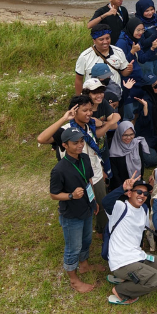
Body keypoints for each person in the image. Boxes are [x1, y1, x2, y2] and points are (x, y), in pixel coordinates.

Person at [38, 95, 118, 235]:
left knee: (101, 204)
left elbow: (94, 150)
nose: (89, 113)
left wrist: (102, 169)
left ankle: (102, 232)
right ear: (74, 111)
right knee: (77, 205)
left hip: (95, 174)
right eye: (84, 110)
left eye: (90, 109)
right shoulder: (65, 131)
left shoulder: (89, 126)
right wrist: (64, 118)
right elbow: (41, 138)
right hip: (73, 176)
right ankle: (76, 233)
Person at [102, 179, 157, 305]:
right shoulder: (120, 207)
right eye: (139, 192)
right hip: (122, 261)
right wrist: (121, 188)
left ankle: (128, 279)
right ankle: (121, 291)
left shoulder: (144, 209)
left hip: (137, 255)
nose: (142, 196)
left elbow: (143, 230)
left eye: (145, 194)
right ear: (129, 193)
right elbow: (105, 202)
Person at [49, 127, 100, 292]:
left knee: (86, 240)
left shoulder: (84, 158)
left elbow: (89, 180)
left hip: (86, 208)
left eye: (81, 141)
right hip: (71, 215)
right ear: (64, 145)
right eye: (75, 143)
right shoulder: (59, 170)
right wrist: (71, 195)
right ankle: (73, 279)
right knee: (73, 247)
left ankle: (84, 265)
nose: (80, 145)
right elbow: (54, 195)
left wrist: (94, 201)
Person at [74, 27, 132, 97]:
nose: (105, 42)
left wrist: (129, 69)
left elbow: (124, 73)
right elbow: (79, 79)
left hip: (115, 96)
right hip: (93, 98)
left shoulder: (118, 52)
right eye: (101, 39)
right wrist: (80, 99)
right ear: (94, 41)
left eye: (107, 38)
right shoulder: (85, 56)